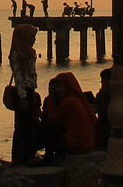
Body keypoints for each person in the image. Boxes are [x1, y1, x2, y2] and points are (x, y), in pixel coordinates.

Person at [39, 72, 96, 164]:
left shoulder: (68, 102)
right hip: (85, 143)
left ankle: (46, 161)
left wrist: (50, 99)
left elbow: (53, 120)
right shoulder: (75, 99)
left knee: (49, 132)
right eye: (55, 88)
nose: (57, 91)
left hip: (77, 145)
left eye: (59, 87)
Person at [7, 24, 41, 165]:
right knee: (22, 125)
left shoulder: (29, 52)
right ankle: (19, 157)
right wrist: (22, 97)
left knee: (30, 123)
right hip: (24, 91)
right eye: (31, 37)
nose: (34, 40)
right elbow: (18, 76)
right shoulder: (18, 54)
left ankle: (28, 154)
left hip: (30, 90)